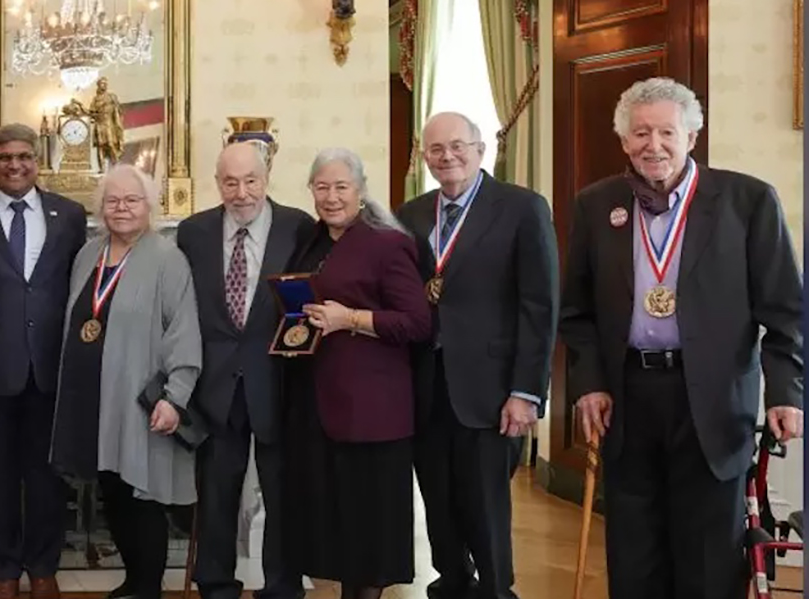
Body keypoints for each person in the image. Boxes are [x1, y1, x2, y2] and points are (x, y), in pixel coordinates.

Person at [560, 77, 804, 599]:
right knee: (634, 551)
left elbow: (785, 310)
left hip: (713, 403)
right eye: (641, 133)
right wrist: (589, 383)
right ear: (624, 141)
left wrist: (786, 392)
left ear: (692, 136)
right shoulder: (595, 205)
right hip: (628, 397)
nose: (654, 145)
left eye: (667, 132)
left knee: (709, 556)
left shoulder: (748, 201)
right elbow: (575, 312)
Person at [394, 112, 557, 599]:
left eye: (458, 146)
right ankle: (453, 581)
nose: (448, 156)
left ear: (481, 149)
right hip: (426, 384)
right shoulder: (411, 214)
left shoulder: (522, 208)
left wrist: (526, 392)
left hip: (491, 388)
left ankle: (495, 589)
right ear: (425, 157)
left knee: (484, 502)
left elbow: (540, 305)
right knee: (437, 496)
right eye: (436, 149)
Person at [0, 123, 87, 599]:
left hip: (51, 368)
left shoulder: (68, 215)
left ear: (37, 160)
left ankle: (43, 568)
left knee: (47, 477)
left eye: (24, 156)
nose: (15, 165)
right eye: (4, 157)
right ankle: (3, 571)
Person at [281, 148, 431, 599]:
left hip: (373, 412)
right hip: (320, 406)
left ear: (361, 190)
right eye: (321, 187)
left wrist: (353, 319)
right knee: (338, 524)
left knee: (371, 528)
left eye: (341, 187)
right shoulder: (312, 240)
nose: (331, 197)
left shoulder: (387, 243)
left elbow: (418, 322)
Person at [47, 164, 201, 599]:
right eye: (112, 201)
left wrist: (175, 397)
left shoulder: (167, 258)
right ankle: (133, 580)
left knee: (143, 492)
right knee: (112, 488)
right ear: (100, 209)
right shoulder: (88, 254)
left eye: (132, 200)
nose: (121, 208)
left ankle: (147, 586)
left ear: (149, 206)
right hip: (94, 398)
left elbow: (184, 331)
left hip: (142, 399)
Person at [174, 142, 312, 599]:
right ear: (217, 184)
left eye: (251, 180)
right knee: (216, 496)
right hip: (215, 387)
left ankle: (282, 586)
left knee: (284, 495)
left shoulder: (300, 228)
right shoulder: (192, 232)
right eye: (230, 182)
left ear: (267, 177)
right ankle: (215, 585)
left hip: (278, 384)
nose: (241, 192)